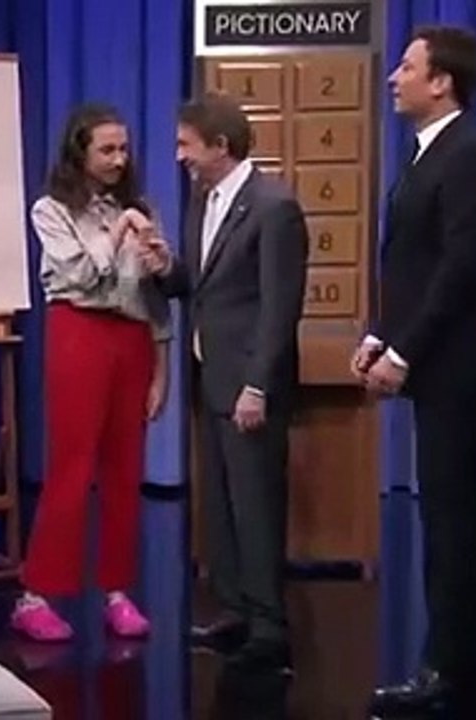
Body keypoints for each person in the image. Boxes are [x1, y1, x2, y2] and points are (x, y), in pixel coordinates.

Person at [356, 26, 476, 718]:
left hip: (458, 360)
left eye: (407, 67)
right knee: (469, 504)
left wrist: (404, 353)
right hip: (433, 353)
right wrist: (379, 334)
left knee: (448, 515)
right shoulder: (427, 153)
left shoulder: (470, 155)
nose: (393, 77)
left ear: (442, 82)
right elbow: (411, 263)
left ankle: (445, 667)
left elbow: (459, 270)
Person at [154, 92, 308, 671]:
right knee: (220, 505)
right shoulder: (203, 201)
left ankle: (269, 626)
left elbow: (279, 307)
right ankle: (235, 610)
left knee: (256, 505)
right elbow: (199, 285)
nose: (179, 156)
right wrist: (165, 268)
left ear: (220, 145)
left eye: (186, 145)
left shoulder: (275, 207)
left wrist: (258, 385)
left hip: (248, 385)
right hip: (210, 377)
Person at [11, 103, 173, 642]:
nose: (119, 160)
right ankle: (36, 595)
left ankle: (117, 591)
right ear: (79, 153)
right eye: (107, 150)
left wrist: (162, 369)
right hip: (79, 333)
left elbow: (155, 297)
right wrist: (120, 230)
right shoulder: (51, 210)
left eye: (123, 149)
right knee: (73, 467)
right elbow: (80, 272)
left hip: (132, 339)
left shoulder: (139, 208)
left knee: (126, 470)